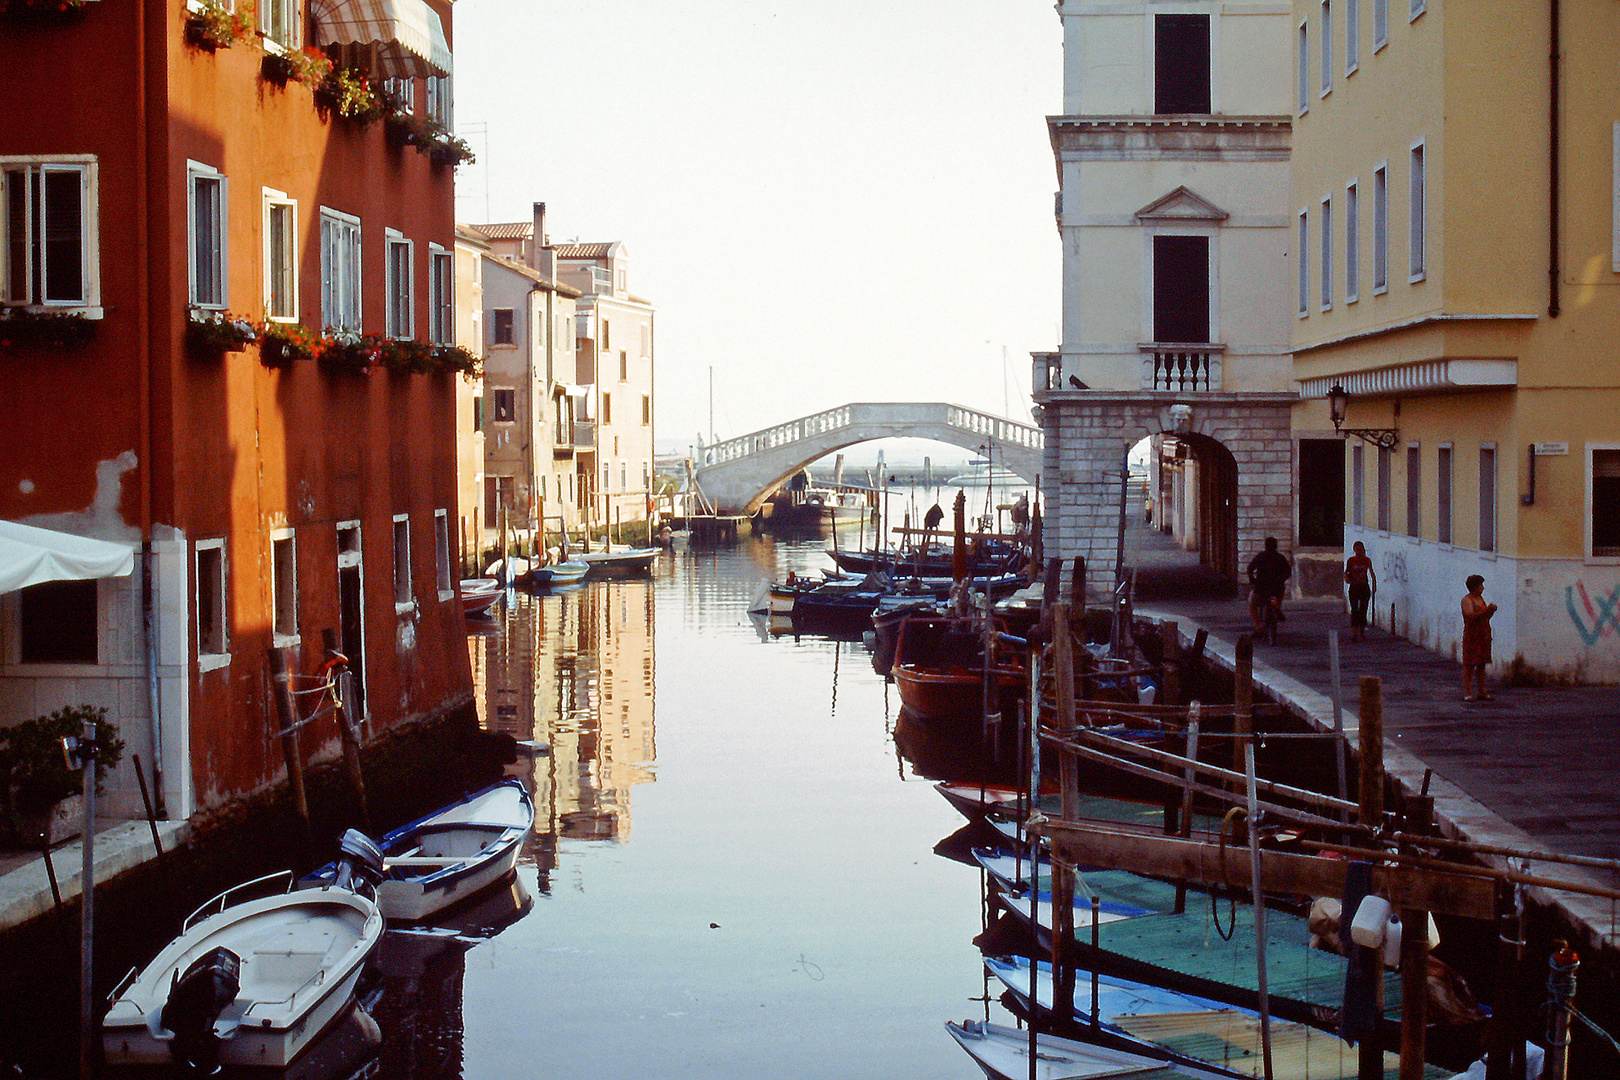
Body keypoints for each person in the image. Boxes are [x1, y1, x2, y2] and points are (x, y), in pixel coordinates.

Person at [1461, 574, 1497, 702]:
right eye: (1481, 585)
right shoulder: (1467, 600)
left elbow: (1484, 617)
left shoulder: (1480, 599)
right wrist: (1486, 611)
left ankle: (1482, 690)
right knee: (1469, 664)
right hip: (1472, 635)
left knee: (1482, 663)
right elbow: (1470, 616)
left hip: (1483, 634)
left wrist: (1490, 611)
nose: (1483, 588)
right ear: (1474, 587)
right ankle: (1468, 691)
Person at [1247, 536, 1292, 632]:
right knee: (1279, 595)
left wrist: (1252, 580)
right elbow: (1288, 572)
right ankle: (1277, 608)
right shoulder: (1280, 558)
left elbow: (1250, 568)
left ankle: (1258, 626)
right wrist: (1281, 580)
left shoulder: (1261, 556)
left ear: (1265, 546)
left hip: (1261, 588)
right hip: (1277, 588)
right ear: (1276, 547)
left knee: (1252, 603)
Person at [1343, 541, 1376, 641]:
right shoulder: (1351, 561)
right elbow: (1346, 572)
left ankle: (1361, 632)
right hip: (1354, 587)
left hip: (1364, 587)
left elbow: (1371, 572)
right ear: (1354, 550)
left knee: (1363, 610)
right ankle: (1354, 633)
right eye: (1358, 550)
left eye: (1361, 550)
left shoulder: (1367, 560)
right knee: (1354, 611)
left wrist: (1374, 585)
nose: (1360, 552)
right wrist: (1347, 579)